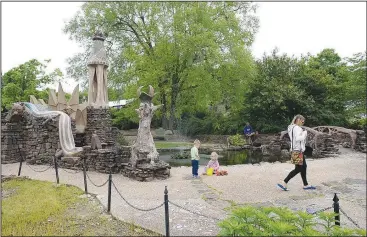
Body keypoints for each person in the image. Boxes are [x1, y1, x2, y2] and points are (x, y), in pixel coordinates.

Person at [277, 114, 316, 191]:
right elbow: (298, 138)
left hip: (295, 150)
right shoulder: (297, 128)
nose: (303, 123)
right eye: (302, 121)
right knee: (298, 169)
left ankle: (306, 185)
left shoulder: (291, 128)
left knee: (303, 167)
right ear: (298, 120)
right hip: (298, 150)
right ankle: (284, 182)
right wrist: (304, 134)